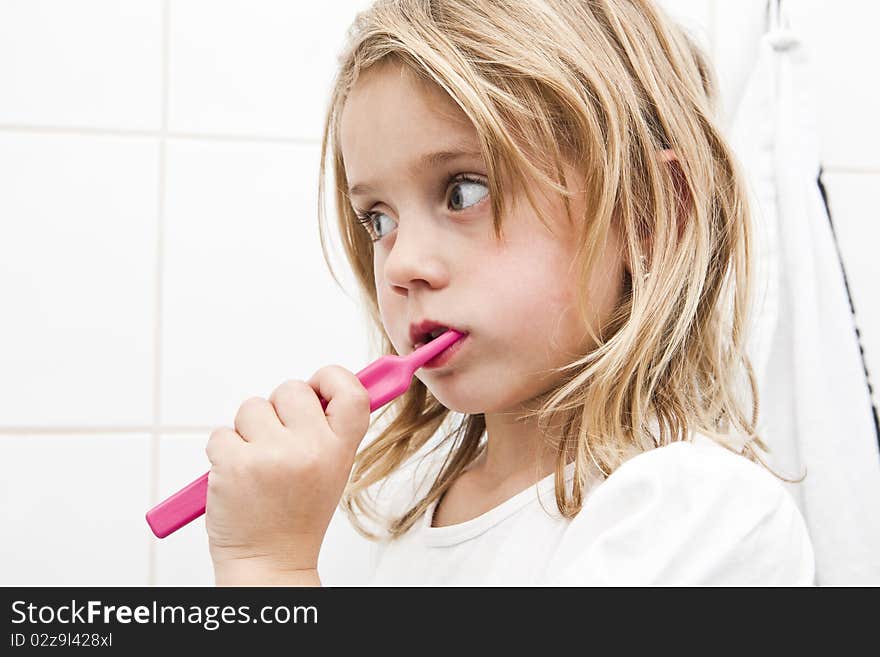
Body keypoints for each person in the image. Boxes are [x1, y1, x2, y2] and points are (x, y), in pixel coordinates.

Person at [203, 0, 815, 586]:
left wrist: (270, 571)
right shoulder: (422, 514)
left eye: (463, 192)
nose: (401, 265)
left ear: (650, 214)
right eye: (379, 220)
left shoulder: (700, 514)